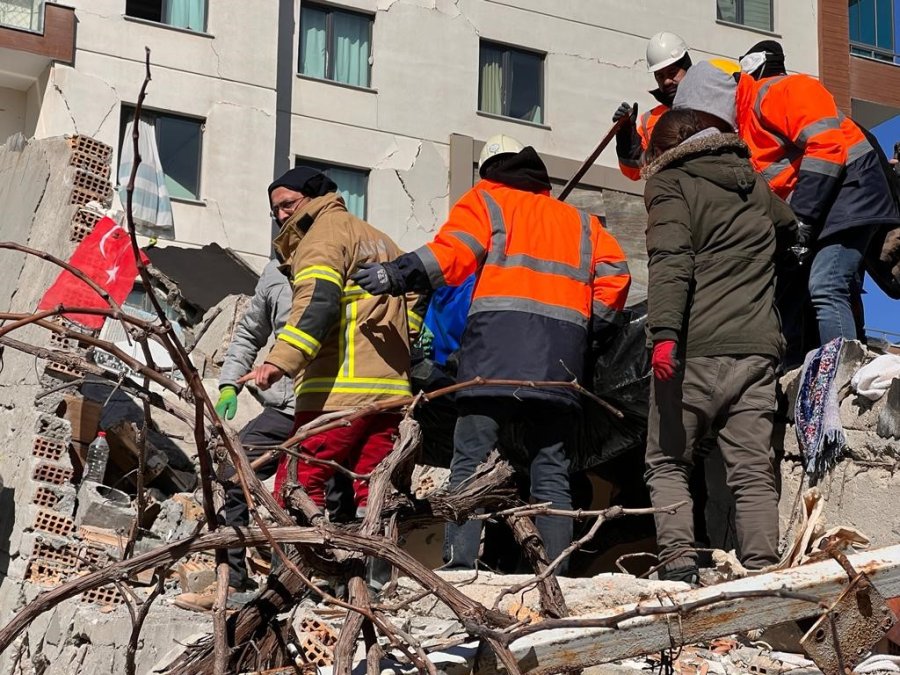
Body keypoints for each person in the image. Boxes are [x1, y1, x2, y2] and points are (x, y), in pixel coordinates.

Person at [351, 134, 631, 574]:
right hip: (558, 366)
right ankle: (553, 569)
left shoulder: (486, 201)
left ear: (488, 171)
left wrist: (394, 274)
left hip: (492, 362)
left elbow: (450, 256)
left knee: (471, 462)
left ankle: (461, 564)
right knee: (551, 470)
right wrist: (590, 331)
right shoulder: (580, 222)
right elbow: (615, 275)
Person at [641, 106, 797, 583]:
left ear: (667, 148)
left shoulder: (671, 183)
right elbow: (789, 227)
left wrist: (664, 337)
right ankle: (763, 574)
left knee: (667, 461)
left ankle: (679, 566)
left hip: (694, 351)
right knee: (751, 470)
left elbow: (670, 262)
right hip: (756, 353)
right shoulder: (754, 185)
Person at [675, 50, 900, 365]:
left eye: (701, 118)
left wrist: (802, 219)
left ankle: (842, 375)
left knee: (827, 282)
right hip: (824, 199)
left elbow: (828, 146)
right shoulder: (742, 132)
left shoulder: (778, 92)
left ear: (713, 100)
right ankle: (791, 374)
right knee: (785, 297)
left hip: (853, 186)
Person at [239, 166, 423, 519]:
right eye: (275, 209)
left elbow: (317, 303)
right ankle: (374, 571)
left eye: (288, 204)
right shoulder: (380, 239)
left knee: (298, 486)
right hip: (390, 392)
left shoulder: (321, 238)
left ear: (315, 198)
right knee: (375, 490)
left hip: (336, 391)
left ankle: (300, 571)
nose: (281, 215)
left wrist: (280, 362)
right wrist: (405, 337)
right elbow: (417, 290)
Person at [614, 32, 692, 181]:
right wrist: (626, 136)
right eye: (660, 76)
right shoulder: (650, 120)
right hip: (671, 197)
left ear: (687, 68)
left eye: (672, 72)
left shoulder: (711, 101)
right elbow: (635, 170)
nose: (667, 81)